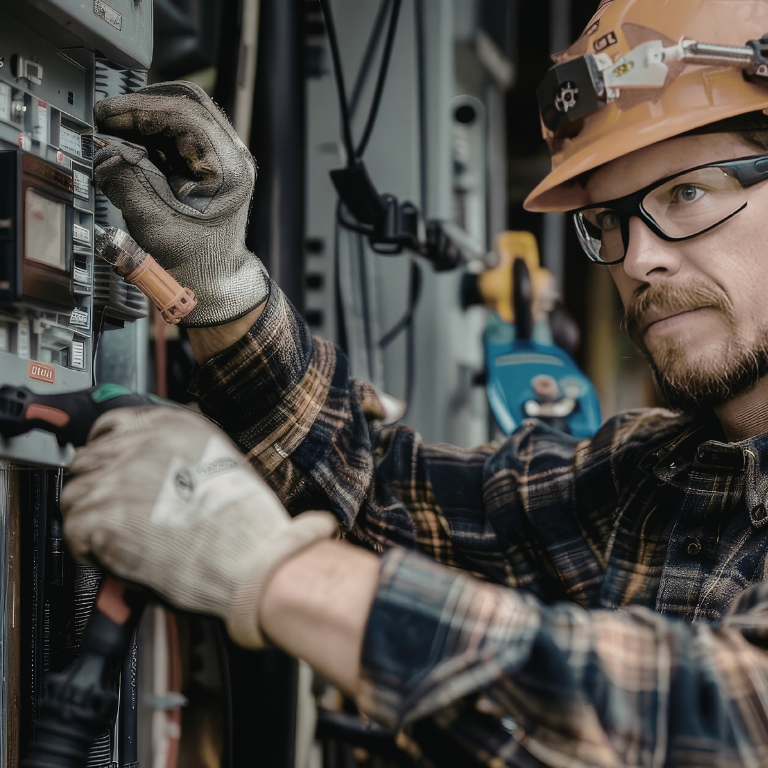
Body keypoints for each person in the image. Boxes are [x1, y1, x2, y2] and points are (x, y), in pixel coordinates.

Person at [63, 1, 768, 765]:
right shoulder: (656, 476)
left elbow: (721, 721)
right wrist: (223, 288)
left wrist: (279, 574)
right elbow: (382, 499)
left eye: (687, 193)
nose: (636, 261)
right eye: (609, 221)